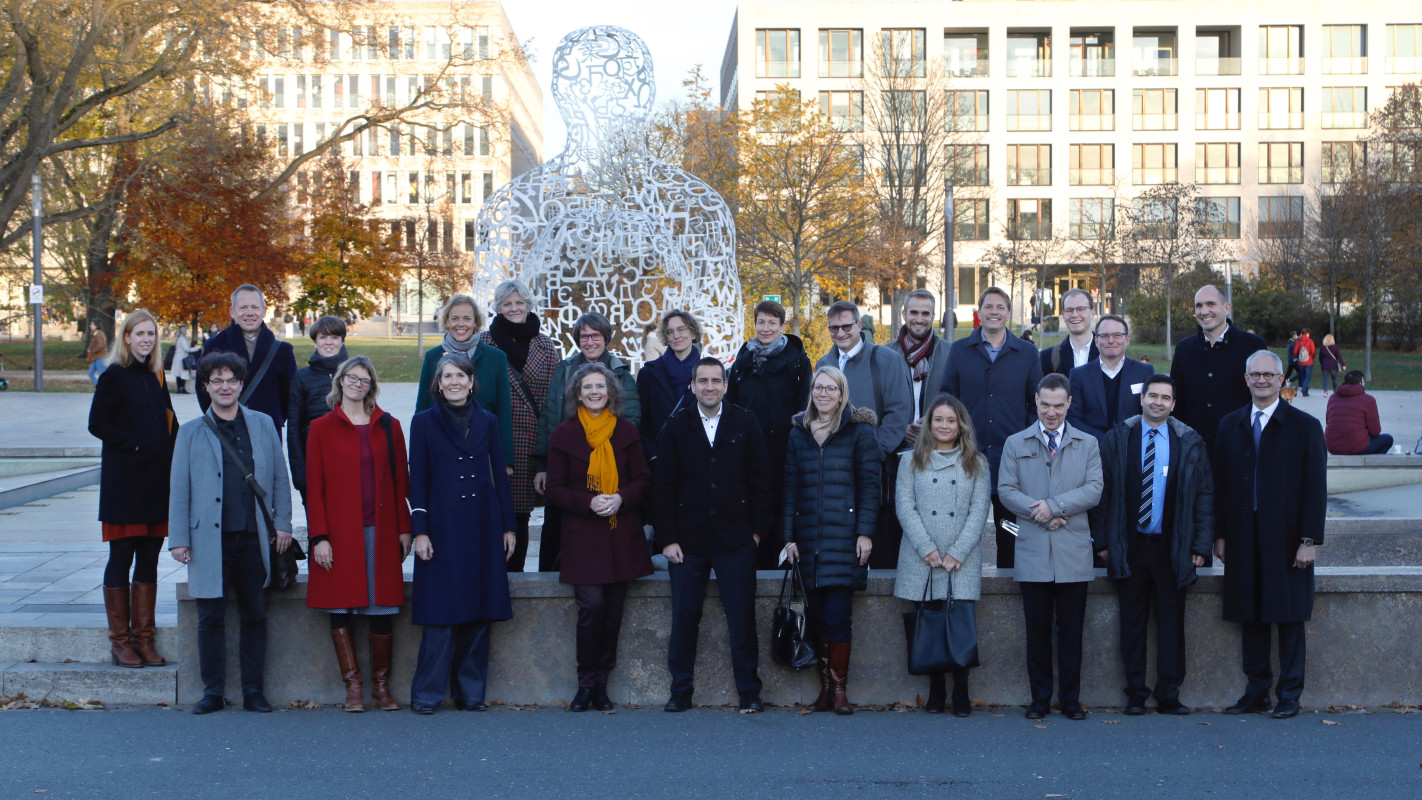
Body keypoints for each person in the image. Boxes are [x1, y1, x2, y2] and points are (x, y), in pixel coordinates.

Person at [170, 352, 293, 714]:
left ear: (241, 385)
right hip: (208, 540)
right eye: (217, 381)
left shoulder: (263, 424)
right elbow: (179, 487)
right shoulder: (192, 432)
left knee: (254, 615)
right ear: (206, 387)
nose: (225, 387)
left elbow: (279, 480)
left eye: (232, 381)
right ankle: (212, 692)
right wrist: (178, 538)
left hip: (254, 537)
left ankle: (254, 691)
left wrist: (283, 523)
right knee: (210, 617)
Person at [652, 357, 773, 713]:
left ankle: (749, 692)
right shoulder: (676, 426)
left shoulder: (745, 422)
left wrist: (755, 534)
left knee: (742, 620)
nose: (709, 386)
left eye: (715, 380)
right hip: (688, 541)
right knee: (685, 618)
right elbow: (663, 488)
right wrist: (668, 538)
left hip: (736, 538)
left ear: (724, 385)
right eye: (702, 380)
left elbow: (762, 483)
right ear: (692, 386)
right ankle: (680, 692)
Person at [1091, 374, 1214, 715]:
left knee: (1171, 624)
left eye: (1165, 398)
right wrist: (1102, 540)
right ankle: (1135, 693)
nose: (1158, 402)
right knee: (1132, 624)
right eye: (1153, 396)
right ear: (1141, 399)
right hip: (1130, 546)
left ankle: (1169, 693)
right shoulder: (1118, 438)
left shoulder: (1189, 441)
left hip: (1171, 548)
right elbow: (1102, 493)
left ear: (1173, 404)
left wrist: (1200, 547)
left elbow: (1203, 497)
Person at [1213, 351, 1326, 719]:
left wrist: (1309, 540)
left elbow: (1315, 488)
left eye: (1268, 375)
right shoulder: (1229, 425)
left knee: (1289, 616)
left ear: (1282, 380)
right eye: (1254, 375)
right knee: (1251, 614)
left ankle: (1289, 694)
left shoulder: (1305, 427)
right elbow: (1221, 485)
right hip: (1243, 536)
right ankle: (1256, 690)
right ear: (1245, 380)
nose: (1261, 380)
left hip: (1288, 538)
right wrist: (1220, 534)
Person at [407, 352, 517, 714]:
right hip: (441, 526)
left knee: (478, 611)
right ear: (438, 384)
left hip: (483, 524)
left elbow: (500, 477)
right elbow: (417, 480)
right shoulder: (423, 422)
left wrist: (508, 525)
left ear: (472, 381)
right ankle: (427, 694)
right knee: (440, 612)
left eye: (460, 376)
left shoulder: (487, 420)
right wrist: (419, 530)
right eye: (447, 376)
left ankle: (471, 693)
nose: (454, 382)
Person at [304, 356, 412, 712]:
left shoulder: (388, 426)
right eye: (352, 377)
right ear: (340, 381)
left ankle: (381, 686)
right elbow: (314, 489)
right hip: (339, 533)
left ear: (372, 386)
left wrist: (405, 528)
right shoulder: (320, 428)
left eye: (365, 380)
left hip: (380, 530)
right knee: (341, 607)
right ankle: (353, 686)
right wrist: (319, 537)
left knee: (381, 608)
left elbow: (401, 483)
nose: (357, 383)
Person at [546, 363, 654, 712]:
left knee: (612, 612)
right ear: (577, 393)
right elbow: (555, 489)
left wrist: (621, 497)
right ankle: (585, 682)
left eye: (601, 386)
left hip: (620, 533)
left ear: (611, 392)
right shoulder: (564, 434)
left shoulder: (626, 431)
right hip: (583, 535)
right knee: (591, 607)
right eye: (588, 386)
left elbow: (642, 479)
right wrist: (588, 501)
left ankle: (602, 685)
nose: (595, 392)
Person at [997, 373, 1102, 721]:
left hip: (1072, 551)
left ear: (1069, 403)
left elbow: (1094, 489)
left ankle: (1070, 699)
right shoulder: (1016, 443)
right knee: (1037, 632)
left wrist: (1053, 507)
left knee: (1072, 633)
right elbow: (1007, 490)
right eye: (1045, 405)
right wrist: (1041, 514)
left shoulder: (1087, 443)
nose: (1052, 412)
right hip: (1033, 550)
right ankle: (1040, 699)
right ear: (1036, 403)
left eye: (1059, 405)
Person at [782, 366, 880, 715]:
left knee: (839, 616)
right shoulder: (799, 432)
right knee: (818, 618)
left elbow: (871, 486)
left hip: (845, 539)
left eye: (830, 388)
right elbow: (790, 489)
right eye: (817, 388)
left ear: (842, 393)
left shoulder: (859, 431)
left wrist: (865, 532)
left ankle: (839, 690)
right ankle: (824, 690)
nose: (823, 394)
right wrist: (788, 539)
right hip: (808, 540)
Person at [88, 309, 178, 669]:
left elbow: (171, 421)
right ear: (126, 337)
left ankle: (144, 639)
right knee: (121, 559)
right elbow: (98, 424)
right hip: (125, 485)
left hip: (156, 484)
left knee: (150, 560)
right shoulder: (114, 375)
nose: (146, 339)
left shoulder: (156, 375)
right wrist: (136, 445)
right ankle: (121, 642)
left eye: (151, 334)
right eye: (139, 333)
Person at [894, 393, 991, 716]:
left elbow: (979, 512)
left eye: (951, 420)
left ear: (961, 424)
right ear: (928, 424)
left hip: (960, 557)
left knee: (959, 623)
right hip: (921, 555)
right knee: (930, 623)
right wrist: (928, 549)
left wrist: (957, 552)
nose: (945, 425)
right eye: (938, 419)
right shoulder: (909, 460)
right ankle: (936, 689)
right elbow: (904, 507)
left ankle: (961, 689)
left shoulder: (976, 462)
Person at [939, 287, 1043, 569]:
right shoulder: (960, 351)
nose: (994, 312)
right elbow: (948, 399)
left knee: (1010, 531)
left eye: (1000, 307)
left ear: (1008, 313)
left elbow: (1037, 405)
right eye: (988, 307)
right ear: (979, 312)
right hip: (966, 457)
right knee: (960, 531)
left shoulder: (1027, 353)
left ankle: (1010, 589)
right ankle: (959, 590)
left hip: (1012, 461)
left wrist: (1026, 443)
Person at [534, 312, 641, 571]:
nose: (590, 342)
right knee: (555, 532)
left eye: (596, 336)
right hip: (566, 465)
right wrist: (542, 464)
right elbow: (550, 414)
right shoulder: (565, 369)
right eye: (584, 337)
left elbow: (632, 420)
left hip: (608, 468)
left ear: (605, 338)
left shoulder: (621, 372)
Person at [816, 300, 913, 569]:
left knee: (882, 550)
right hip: (837, 473)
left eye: (847, 326)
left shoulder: (886, 359)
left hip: (878, 470)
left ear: (860, 325)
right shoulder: (824, 364)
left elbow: (899, 412)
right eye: (834, 328)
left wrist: (873, 453)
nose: (841, 332)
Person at [478, 280, 561, 572]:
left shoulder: (545, 345)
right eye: (506, 303)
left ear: (528, 305)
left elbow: (554, 402)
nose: (514, 308)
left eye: (519, 302)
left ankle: (516, 582)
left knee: (521, 515)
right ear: (498, 308)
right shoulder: (483, 343)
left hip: (531, 444)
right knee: (490, 512)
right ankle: (489, 577)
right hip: (492, 441)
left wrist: (546, 458)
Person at [727, 300, 813, 569]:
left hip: (784, 446)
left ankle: (784, 557)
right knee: (753, 500)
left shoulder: (797, 361)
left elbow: (803, 405)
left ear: (781, 326)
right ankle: (754, 555)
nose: (766, 328)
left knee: (783, 500)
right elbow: (732, 403)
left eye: (772, 323)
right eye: (761, 322)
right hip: (749, 446)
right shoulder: (742, 360)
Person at [413, 294, 513, 464]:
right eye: (455, 318)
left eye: (467, 318)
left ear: (476, 322)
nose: (461, 324)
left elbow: (504, 410)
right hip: (440, 451)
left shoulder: (496, 358)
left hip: (483, 451)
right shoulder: (433, 357)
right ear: (446, 321)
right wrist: (416, 459)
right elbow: (422, 406)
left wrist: (506, 461)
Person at [1170, 285, 1266, 452]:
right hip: (1194, 451)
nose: (1204, 311)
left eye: (1210, 304)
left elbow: (1265, 397)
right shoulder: (1183, 349)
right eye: (1198, 306)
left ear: (1226, 308)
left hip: (1240, 448)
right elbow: (1177, 402)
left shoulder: (1253, 346)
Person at [198, 284, 298, 438]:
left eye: (255, 307)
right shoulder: (214, 345)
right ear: (232, 312)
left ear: (264, 311)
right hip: (226, 430)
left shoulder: (282, 350)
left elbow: (288, 396)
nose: (249, 313)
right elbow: (203, 388)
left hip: (267, 430)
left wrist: (273, 418)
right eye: (243, 307)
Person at [1066, 315, 1154, 447]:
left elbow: (1150, 414)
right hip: (1092, 451)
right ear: (1096, 341)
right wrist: (1105, 440)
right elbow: (1072, 418)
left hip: (1133, 449)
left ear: (1127, 339)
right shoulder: (1079, 375)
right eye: (1105, 335)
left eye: (1117, 335)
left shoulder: (1144, 372)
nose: (1111, 340)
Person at [287, 315, 348, 504]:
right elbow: (294, 427)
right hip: (314, 463)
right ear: (315, 342)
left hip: (348, 463)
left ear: (342, 341)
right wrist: (300, 475)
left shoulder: (354, 374)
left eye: (334, 337)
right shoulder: (302, 378)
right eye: (323, 337)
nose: (328, 342)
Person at [637, 309, 702, 463]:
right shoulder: (649, 373)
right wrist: (651, 454)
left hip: (698, 461)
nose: (676, 336)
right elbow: (640, 420)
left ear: (693, 333)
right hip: (661, 460)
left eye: (681, 329)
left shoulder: (708, 373)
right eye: (670, 332)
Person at [894, 290, 953, 446]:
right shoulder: (887, 355)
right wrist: (900, 429)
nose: (919, 319)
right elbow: (879, 404)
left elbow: (957, 399)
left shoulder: (950, 353)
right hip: (896, 449)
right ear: (904, 314)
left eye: (925, 314)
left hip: (938, 446)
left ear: (933, 316)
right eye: (914, 313)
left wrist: (934, 423)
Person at [1325, 370, 1394, 455]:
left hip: (1333, 447)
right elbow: (1375, 431)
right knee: (1388, 439)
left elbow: (1328, 422)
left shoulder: (1332, 398)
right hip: (1357, 446)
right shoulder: (1368, 400)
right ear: (1361, 382)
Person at [1040, 288, 1098, 378]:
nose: (1074, 315)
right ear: (1063, 315)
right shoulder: (1048, 357)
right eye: (1069, 310)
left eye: (1081, 309)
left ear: (1092, 313)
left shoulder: (1107, 353)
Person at [172, 326, 196, 394]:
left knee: (180, 374)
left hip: (180, 358)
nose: (187, 331)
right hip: (181, 358)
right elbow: (186, 349)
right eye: (186, 329)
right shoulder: (182, 339)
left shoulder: (182, 338)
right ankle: (181, 388)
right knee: (182, 374)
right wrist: (196, 348)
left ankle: (180, 388)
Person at [1294, 328, 1316, 397]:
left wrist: (1298, 357)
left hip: (1301, 361)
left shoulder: (1298, 341)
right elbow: (1313, 351)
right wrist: (1312, 357)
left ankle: (1305, 392)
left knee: (1302, 376)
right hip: (1309, 361)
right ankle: (1304, 389)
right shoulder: (1310, 341)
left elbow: (1295, 352)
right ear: (1307, 334)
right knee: (1308, 376)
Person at [85, 322, 108, 387]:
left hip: (101, 357)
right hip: (96, 357)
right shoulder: (94, 333)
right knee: (90, 373)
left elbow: (101, 345)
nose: (90, 325)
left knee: (101, 374)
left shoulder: (99, 334)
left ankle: (104, 388)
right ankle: (99, 387)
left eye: (92, 324)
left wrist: (92, 351)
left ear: (96, 326)